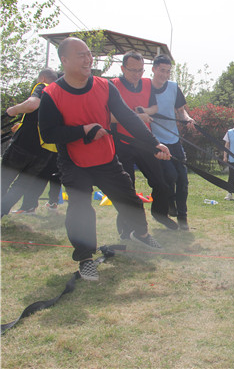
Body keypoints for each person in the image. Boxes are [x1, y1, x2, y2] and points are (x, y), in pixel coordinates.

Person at [38, 37, 171, 281]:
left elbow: (128, 117)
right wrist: (83, 130)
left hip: (106, 157)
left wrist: (154, 144)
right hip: (73, 161)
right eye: (81, 55)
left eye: (89, 53)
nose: (88, 59)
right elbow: (48, 133)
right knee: (80, 210)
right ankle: (86, 258)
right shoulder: (51, 94)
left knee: (130, 200)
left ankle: (140, 234)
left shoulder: (104, 86)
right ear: (64, 60)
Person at [110, 51, 178, 231]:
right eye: (133, 70)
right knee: (127, 187)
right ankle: (125, 226)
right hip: (122, 143)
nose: (137, 74)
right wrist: (137, 117)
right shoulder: (112, 86)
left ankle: (160, 214)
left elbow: (154, 107)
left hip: (145, 142)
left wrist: (145, 112)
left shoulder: (147, 84)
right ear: (123, 68)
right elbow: (107, 116)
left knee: (161, 182)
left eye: (141, 70)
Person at [1, 68, 59, 217]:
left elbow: (32, 105)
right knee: (21, 185)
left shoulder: (43, 87)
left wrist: (12, 110)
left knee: (4, 179)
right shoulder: (62, 95)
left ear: (43, 78)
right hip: (46, 151)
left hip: (24, 144)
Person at [150, 54, 195, 231]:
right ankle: (168, 205)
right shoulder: (145, 88)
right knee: (170, 176)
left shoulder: (174, 88)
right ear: (153, 69)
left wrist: (189, 119)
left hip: (174, 140)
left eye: (168, 71)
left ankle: (182, 218)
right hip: (156, 141)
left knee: (183, 180)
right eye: (162, 70)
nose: (165, 75)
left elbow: (181, 112)